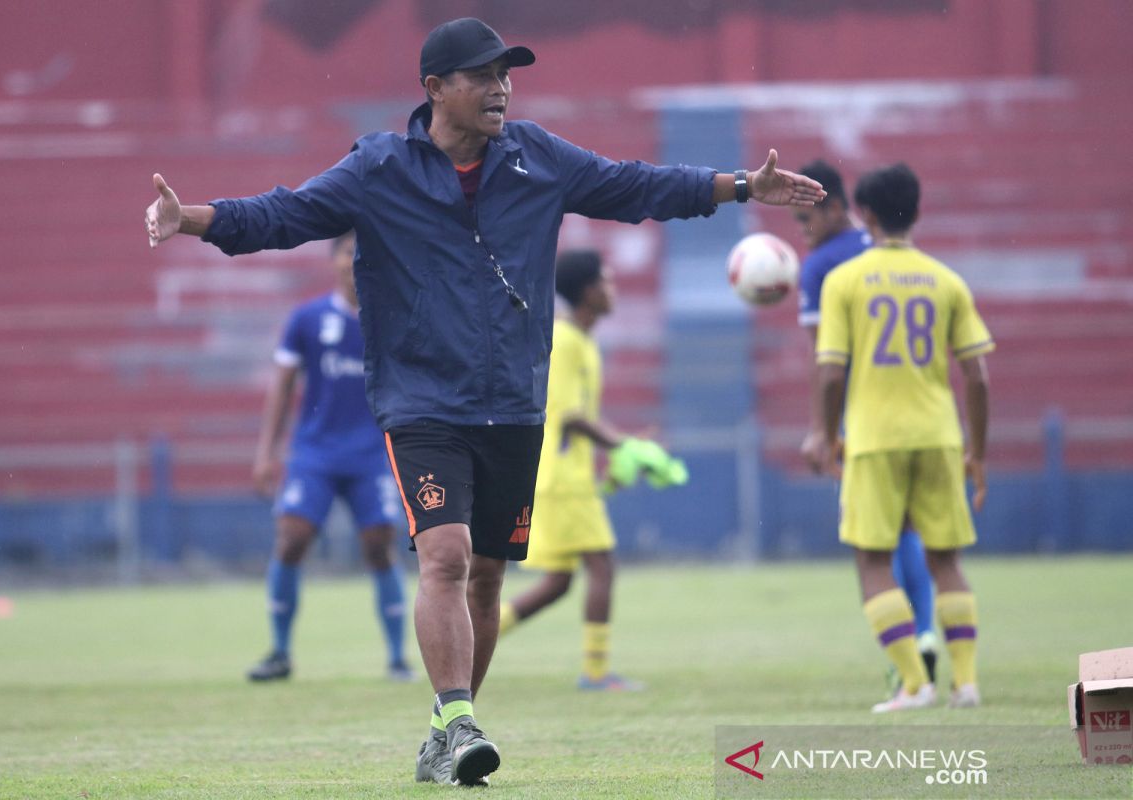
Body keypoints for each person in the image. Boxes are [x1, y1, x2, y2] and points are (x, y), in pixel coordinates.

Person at [144, 16, 824, 785]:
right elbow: (283, 213)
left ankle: (446, 730)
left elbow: (637, 186)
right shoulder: (378, 168)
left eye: (507, 74)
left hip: (513, 402)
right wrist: (190, 218)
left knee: (489, 578)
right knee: (446, 554)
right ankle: (462, 718)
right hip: (421, 401)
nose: (501, 88)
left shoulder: (538, 156)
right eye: (483, 75)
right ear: (436, 88)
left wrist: (741, 187)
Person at [810, 163, 991, 713]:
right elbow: (978, 376)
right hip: (939, 434)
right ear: (917, 211)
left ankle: (915, 683)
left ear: (863, 214)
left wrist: (824, 433)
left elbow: (832, 371)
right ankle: (966, 683)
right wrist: (977, 451)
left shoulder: (844, 281)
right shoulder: (946, 279)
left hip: (874, 437)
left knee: (871, 561)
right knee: (946, 559)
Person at [496, 250, 687, 692]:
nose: (613, 290)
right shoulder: (564, 342)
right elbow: (567, 416)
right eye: (607, 281)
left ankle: (471, 639)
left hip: (566, 477)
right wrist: (628, 444)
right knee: (602, 565)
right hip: (562, 481)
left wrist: (618, 455)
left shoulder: (582, 341)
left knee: (560, 582)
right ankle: (597, 674)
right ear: (588, 292)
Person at [791, 160, 939, 688]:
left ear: (837, 207)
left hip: (864, 418)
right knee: (910, 531)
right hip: (925, 414)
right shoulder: (893, 253)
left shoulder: (822, 267)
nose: (801, 230)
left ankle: (907, 670)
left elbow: (824, 362)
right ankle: (925, 635)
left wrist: (821, 430)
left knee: (873, 544)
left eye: (805, 218)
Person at [247, 230, 413, 684]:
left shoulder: (392, 319)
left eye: (365, 250)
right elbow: (282, 387)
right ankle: (280, 652)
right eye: (347, 251)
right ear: (334, 260)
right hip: (315, 453)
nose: (355, 259)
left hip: (371, 454)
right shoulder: (307, 320)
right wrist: (267, 454)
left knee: (380, 545)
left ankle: (398, 658)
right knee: (292, 538)